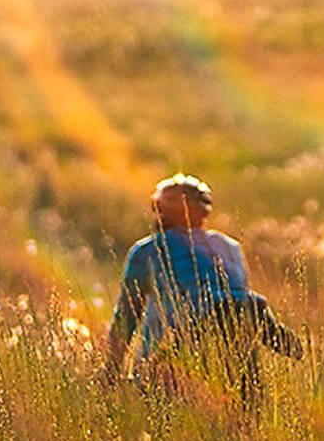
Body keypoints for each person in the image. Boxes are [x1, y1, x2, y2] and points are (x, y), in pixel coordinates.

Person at [105, 172, 302, 401]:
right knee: (245, 420)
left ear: (158, 210)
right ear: (203, 213)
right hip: (238, 333)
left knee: (164, 419)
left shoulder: (147, 250)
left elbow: (126, 318)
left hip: (175, 347)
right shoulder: (229, 247)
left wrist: (111, 371)